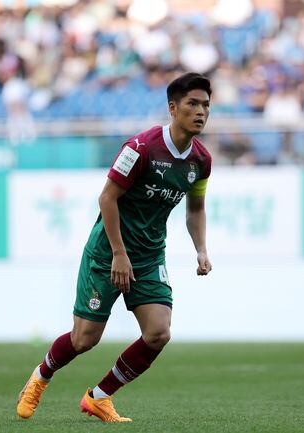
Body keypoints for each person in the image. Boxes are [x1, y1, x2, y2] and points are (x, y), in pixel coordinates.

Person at [16, 72, 214, 423]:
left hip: (149, 255)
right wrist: (119, 254)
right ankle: (40, 376)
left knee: (158, 333)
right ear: (173, 108)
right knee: (84, 339)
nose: (201, 112)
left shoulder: (201, 161)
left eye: (206, 105)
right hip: (108, 251)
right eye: (193, 104)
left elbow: (195, 209)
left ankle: (99, 396)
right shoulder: (140, 148)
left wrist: (201, 249)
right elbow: (107, 198)